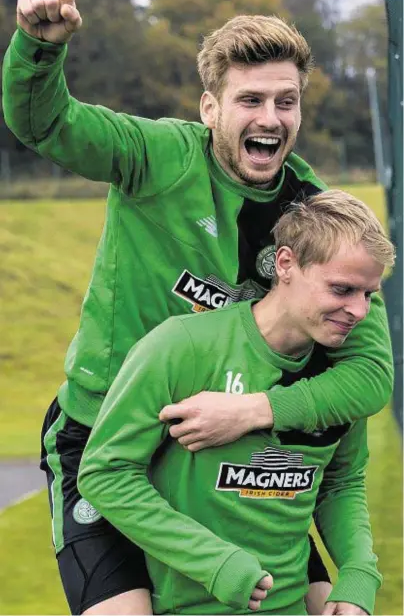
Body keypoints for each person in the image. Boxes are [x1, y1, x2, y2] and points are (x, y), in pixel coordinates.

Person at [2, 0, 393, 615]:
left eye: (285, 101)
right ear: (210, 108)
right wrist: (39, 50)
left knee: (329, 604)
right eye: (251, 100)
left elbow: (371, 374)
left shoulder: (313, 217)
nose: (270, 117)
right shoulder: (156, 156)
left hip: (221, 451)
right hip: (108, 436)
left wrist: (254, 410)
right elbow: (46, 124)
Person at [78, 189, 395, 616]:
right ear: (285, 264)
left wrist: (358, 571)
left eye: (368, 294)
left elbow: (341, 482)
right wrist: (215, 562)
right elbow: (106, 473)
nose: (358, 310)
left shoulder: (341, 378)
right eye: (342, 289)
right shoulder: (182, 346)